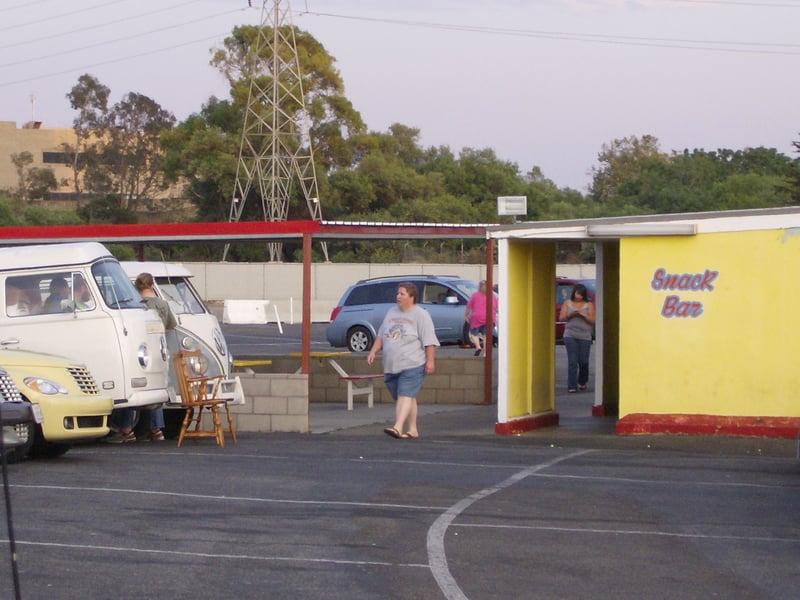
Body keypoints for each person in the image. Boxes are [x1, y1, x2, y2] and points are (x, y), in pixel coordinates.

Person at [367, 282, 439, 440]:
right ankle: (413, 430)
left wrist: (430, 361)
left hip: (413, 363)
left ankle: (398, 427)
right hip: (392, 364)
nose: (398, 297)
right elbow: (381, 334)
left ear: (411, 297)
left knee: (405, 394)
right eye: (398, 294)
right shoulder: (391, 312)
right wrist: (373, 351)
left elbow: (429, 341)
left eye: (402, 294)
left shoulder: (421, 315)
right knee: (407, 397)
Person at [559, 282, 595, 393]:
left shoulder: (589, 305)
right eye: (576, 293)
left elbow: (592, 320)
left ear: (583, 295)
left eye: (580, 294)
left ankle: (582, 381)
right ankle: (571, 385)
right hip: (570, 335)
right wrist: (571, 314)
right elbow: (561, 318)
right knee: (572, 361)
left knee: (583, 361)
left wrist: (583, 314)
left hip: (585, 336)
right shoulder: (567, 303)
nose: (577, 296)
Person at [464, 280, 498, 357]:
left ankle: (478, 346)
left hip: (477, 317)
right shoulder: (493, 296)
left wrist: (466, 315)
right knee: (486, 336)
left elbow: (469, 306)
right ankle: (486, 353)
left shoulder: (475, 295)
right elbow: (496, 307)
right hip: (489, 317)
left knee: (473, 333)